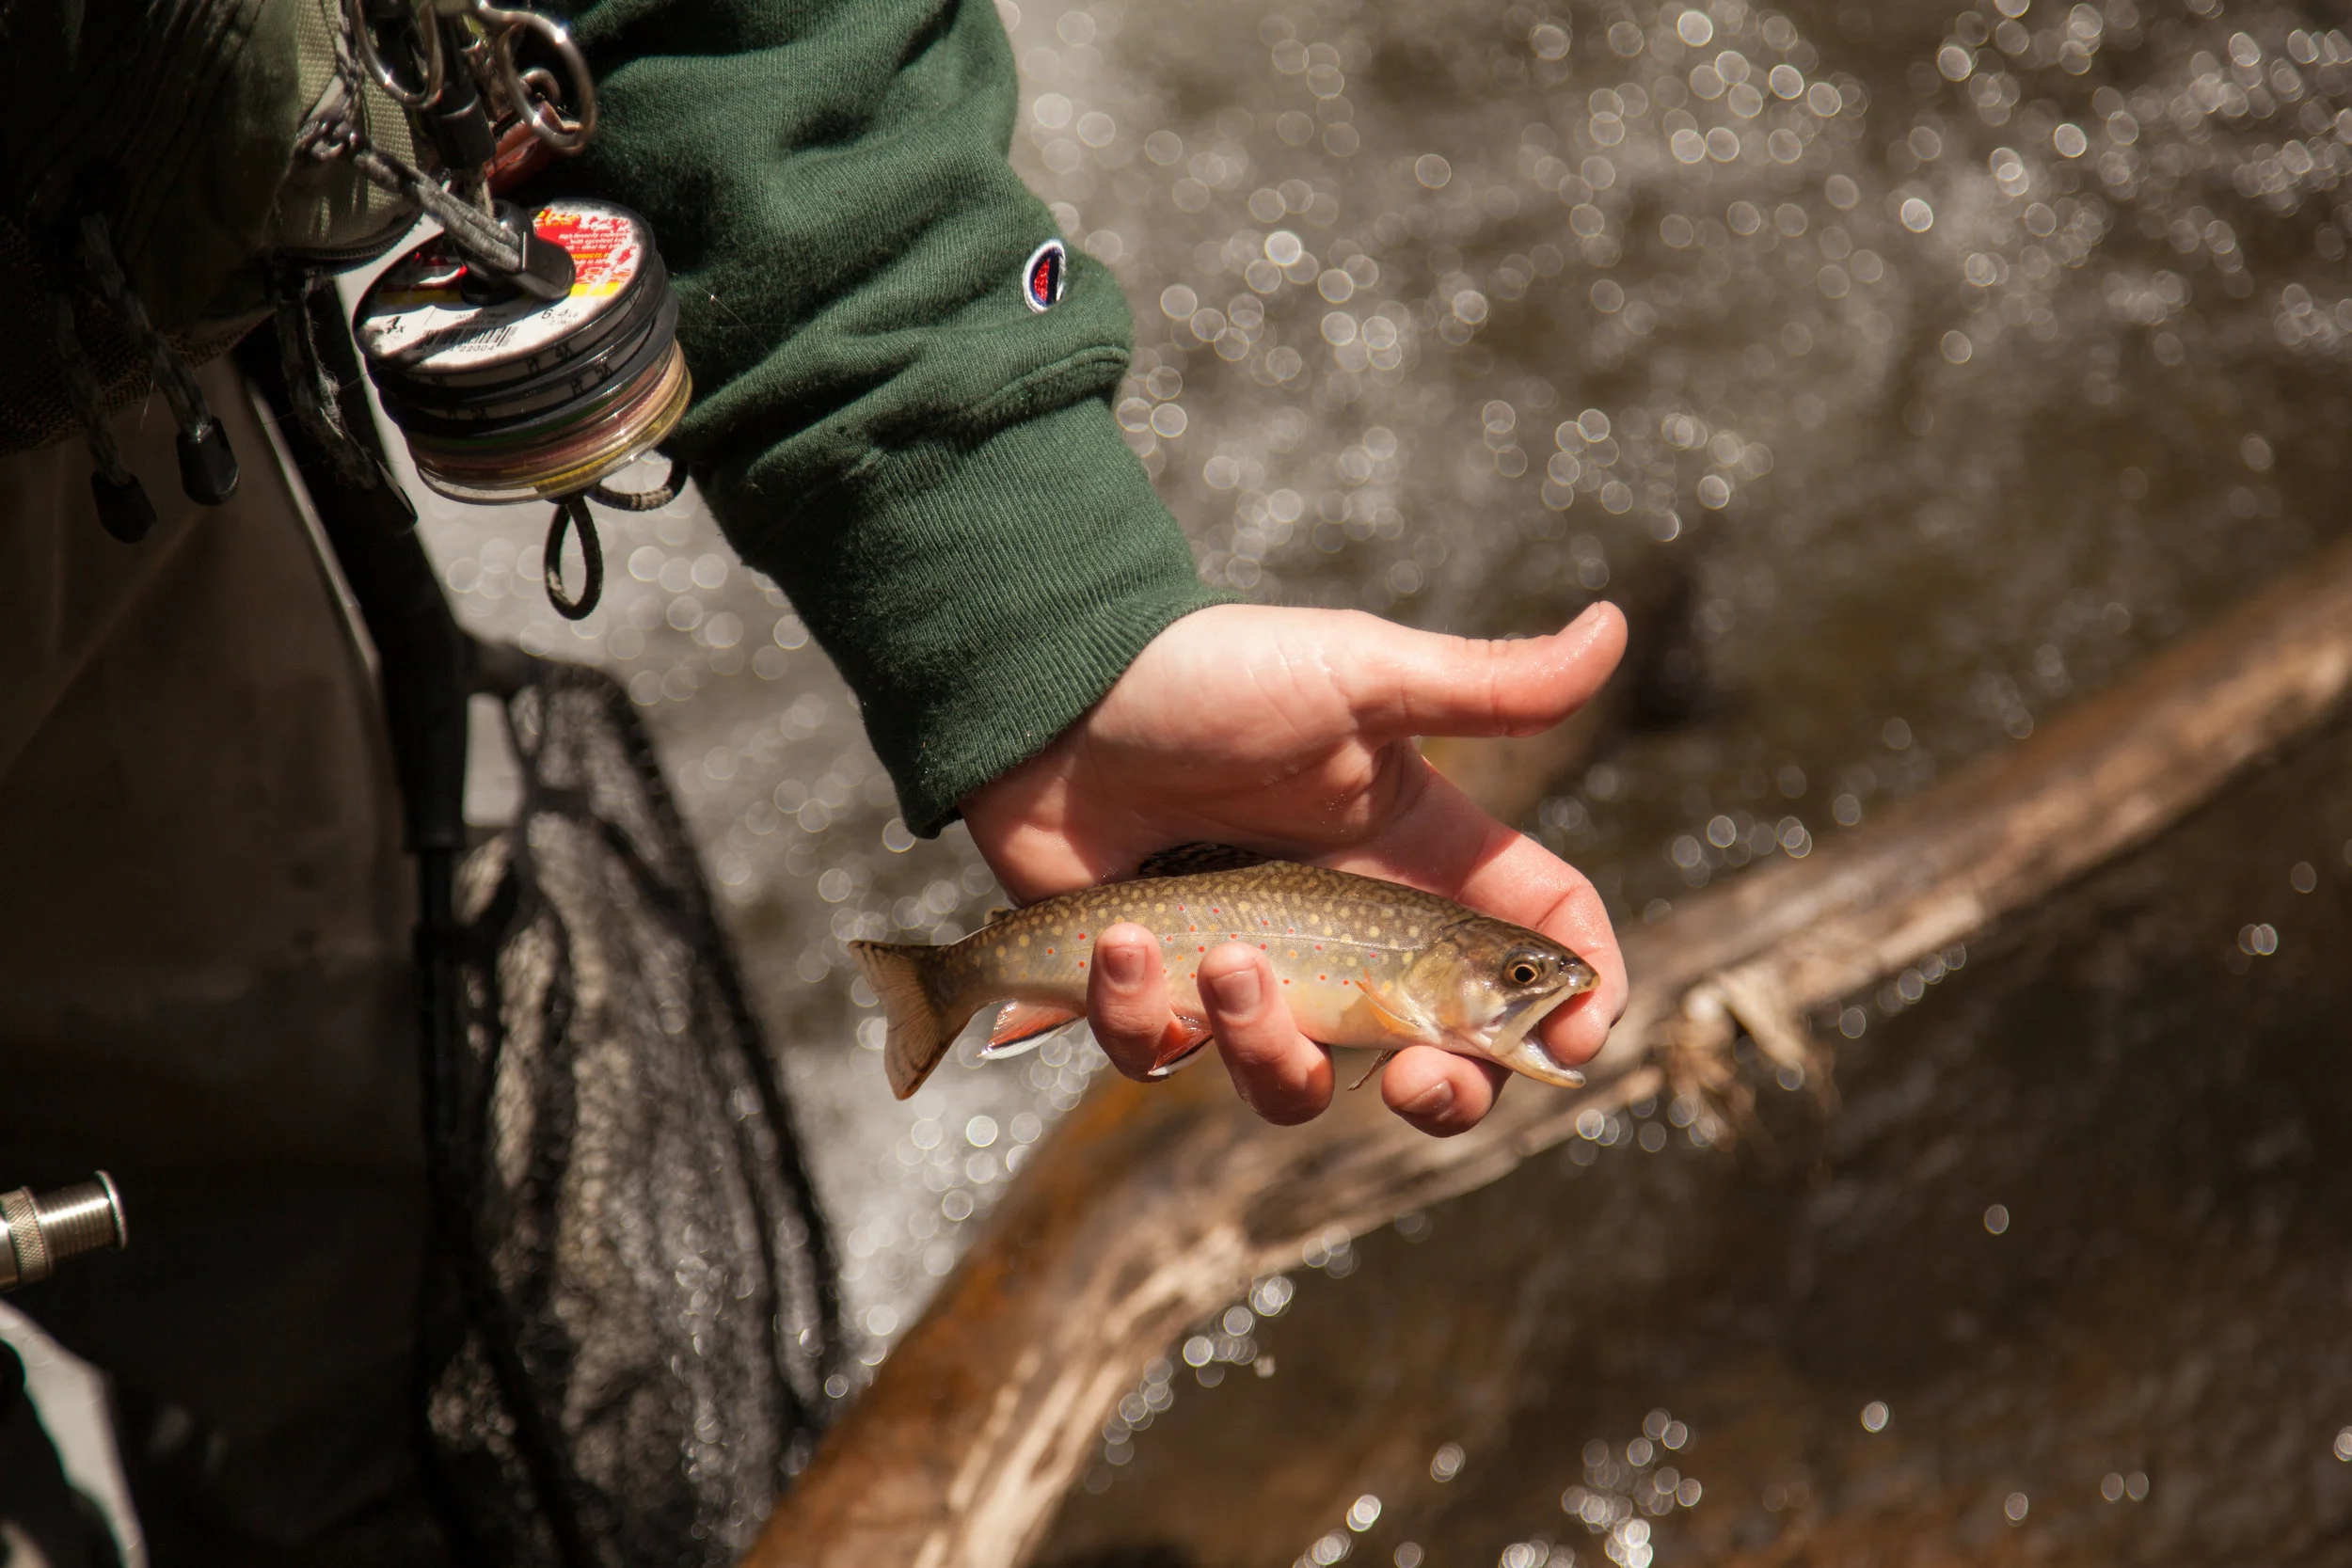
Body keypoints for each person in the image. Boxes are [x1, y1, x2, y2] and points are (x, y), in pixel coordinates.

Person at [0, 0, 1625, 1559]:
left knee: (377, 1273)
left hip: (91, 344)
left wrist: (1050, 630)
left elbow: (726, 26)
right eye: (1517, 983)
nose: (1528, 993)